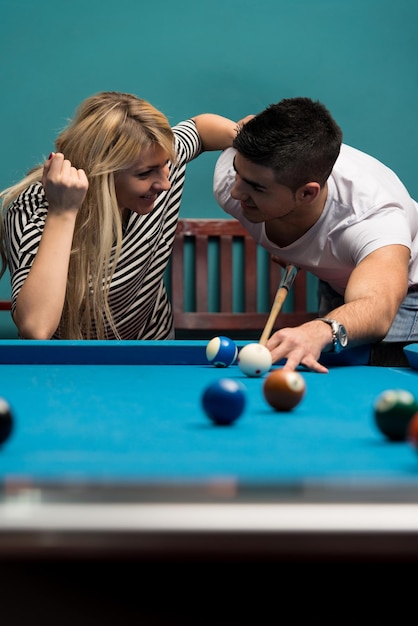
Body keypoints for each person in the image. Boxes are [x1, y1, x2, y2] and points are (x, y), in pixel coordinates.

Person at [0, 91, 238, 340]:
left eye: (166, 164)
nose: (165, 183)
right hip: (69, 366)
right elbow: (36, 328)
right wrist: (63, 212)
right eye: (145, 174)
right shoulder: (31, 209)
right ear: (101, 173)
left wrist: (244, 138)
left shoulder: (155, 156)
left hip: (152, 353)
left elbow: (199, 129)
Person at [213, 97, 418, 373]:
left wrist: (321, 331)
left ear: (308, 193)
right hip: (341, 278)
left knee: (373, 366)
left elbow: (378, 306)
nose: (236, 192)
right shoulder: (233, 179)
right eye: (238, 173)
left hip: (404, 289)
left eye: (256, 188)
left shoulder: (370, 217)